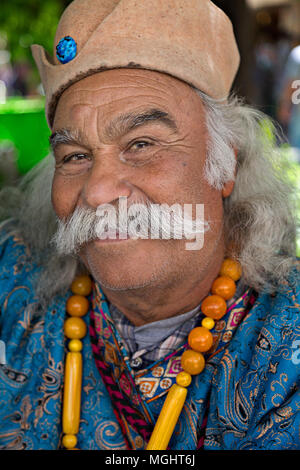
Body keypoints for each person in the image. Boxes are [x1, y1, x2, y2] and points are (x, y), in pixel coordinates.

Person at [0, 0, 299, 451]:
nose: (98, 191)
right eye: (75, 156)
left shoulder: (286, 342)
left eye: (141, 143)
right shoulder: (12, 274)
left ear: (225, 165)